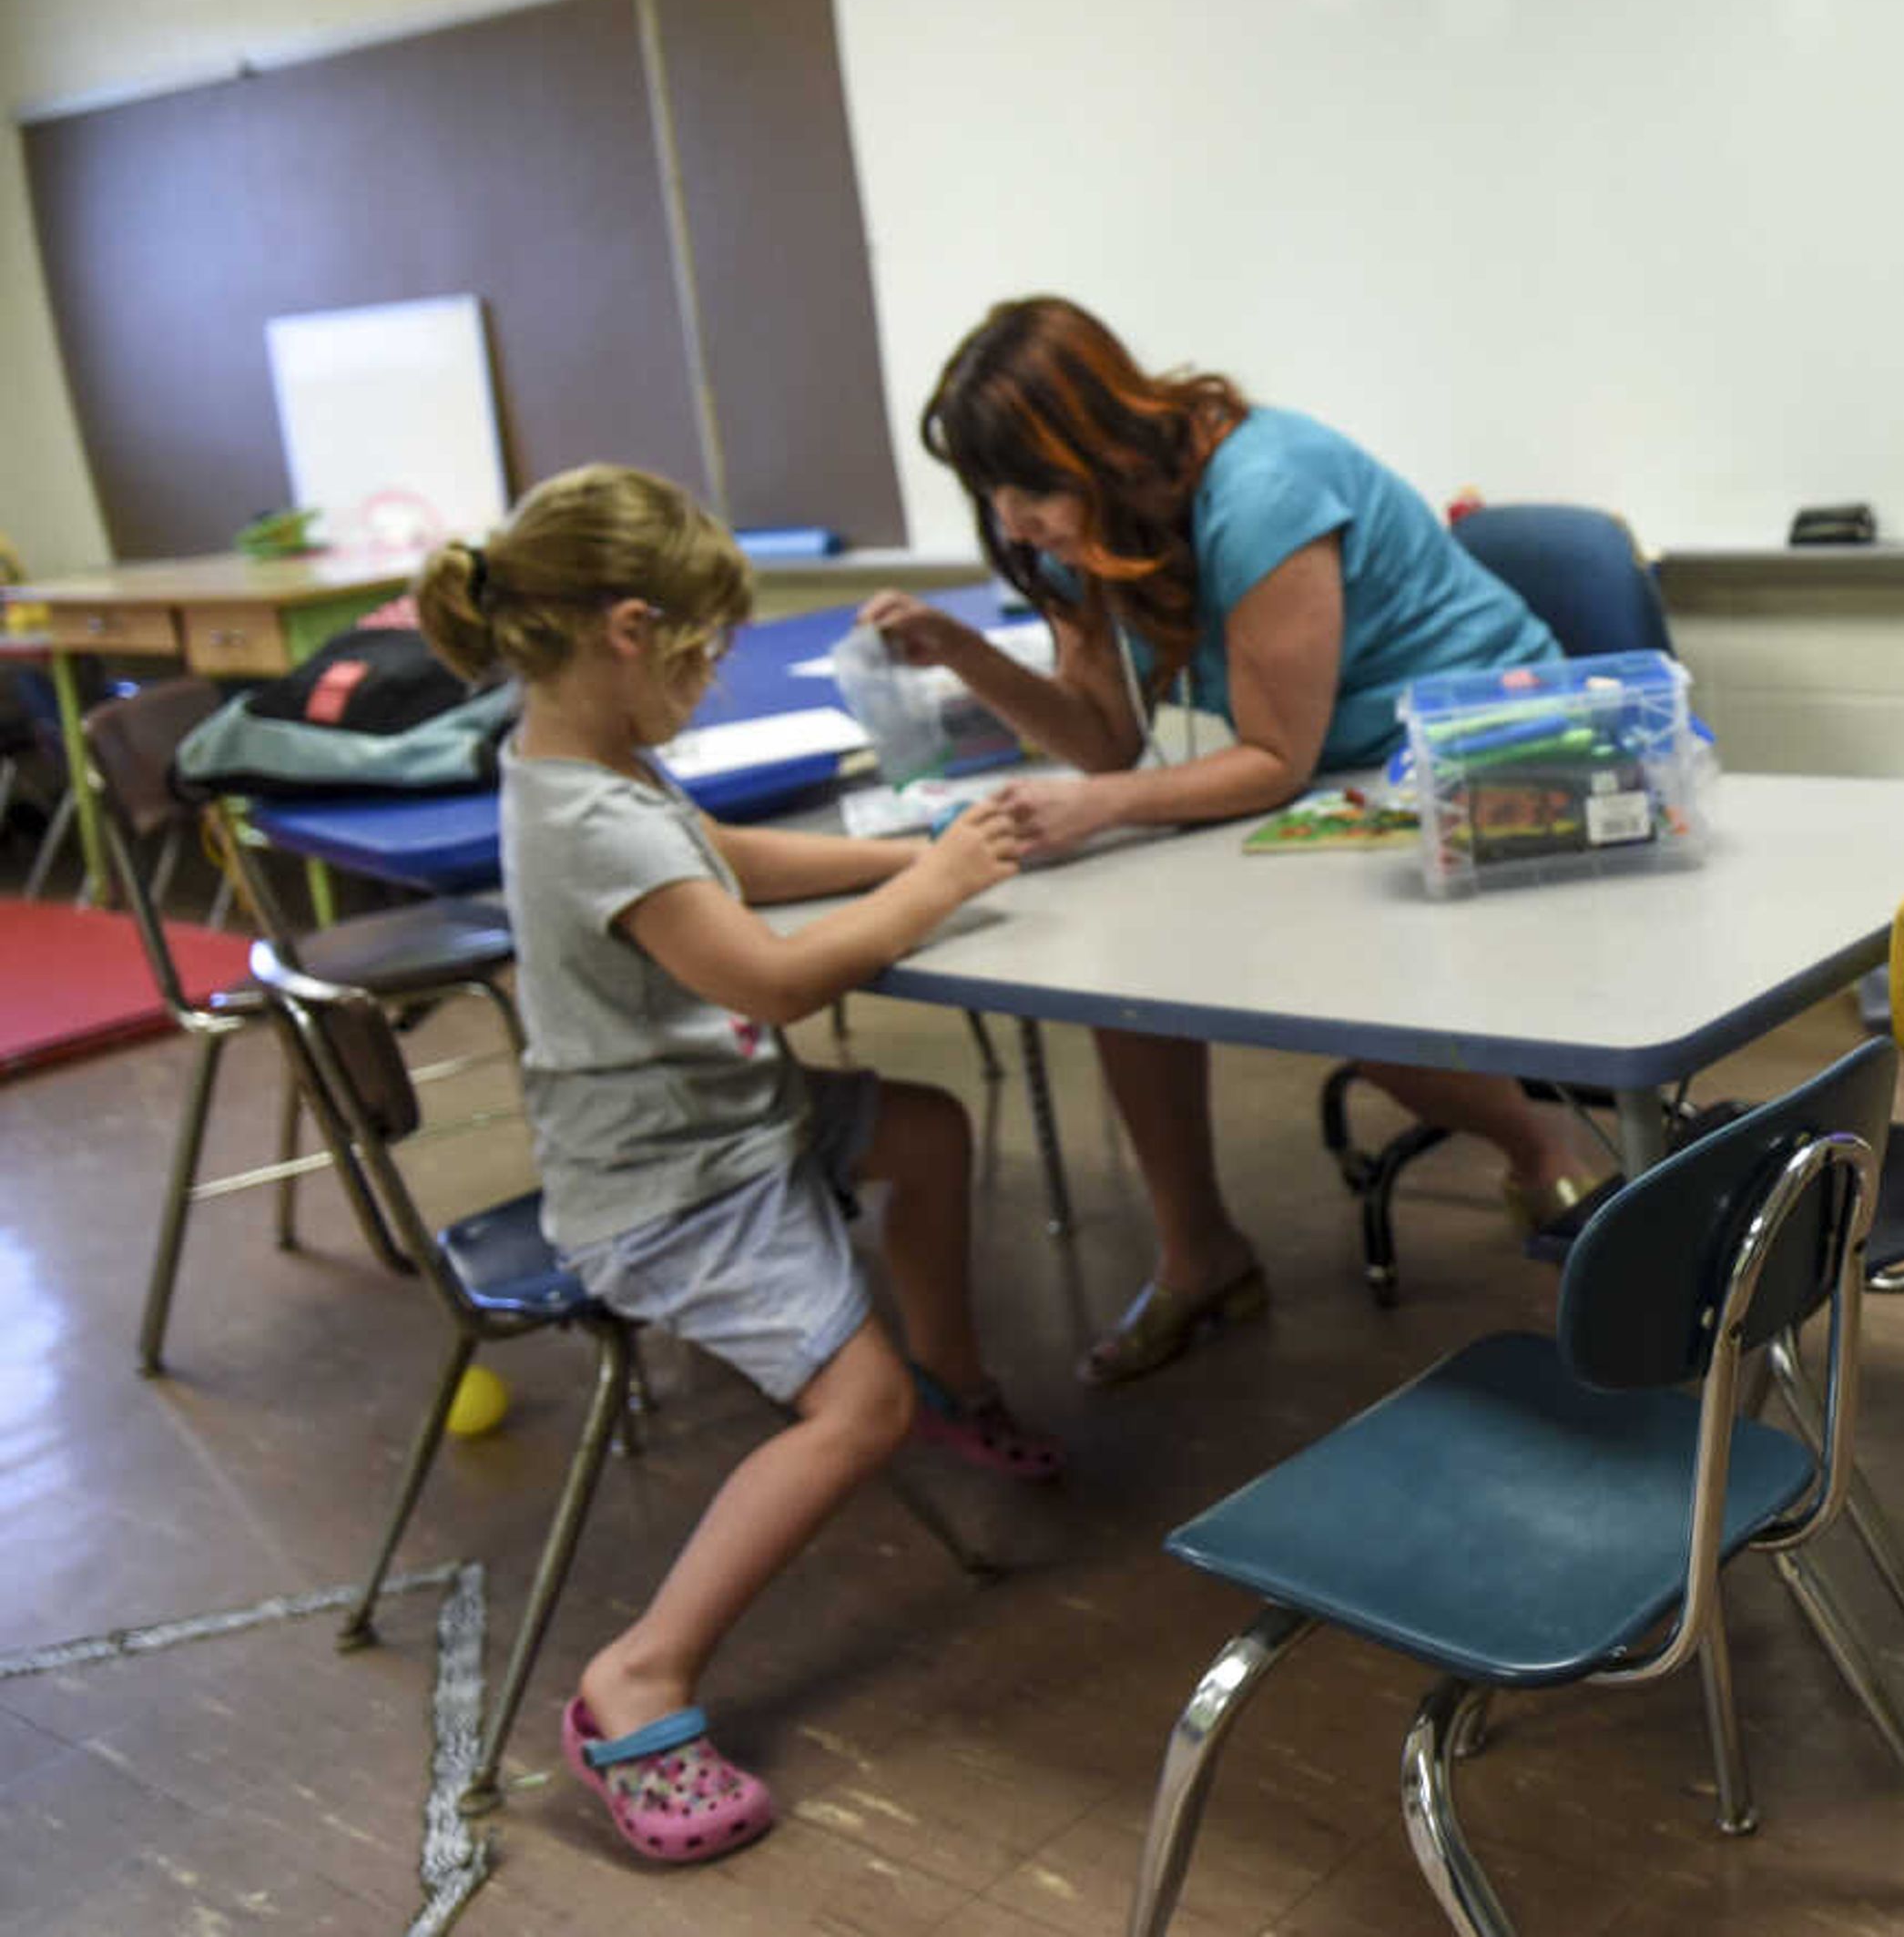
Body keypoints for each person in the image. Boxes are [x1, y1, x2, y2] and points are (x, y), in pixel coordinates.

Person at [415, 465, 1063, 1867]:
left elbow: (722, 863)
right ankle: (637, 1676)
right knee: (855, 1406)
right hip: (673, 1186)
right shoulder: (586, 815)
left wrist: (906, 848)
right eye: (706, 655)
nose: (712, 683)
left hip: (722, 1120)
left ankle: (955, 1376)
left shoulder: (585, 762)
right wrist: (929, 886)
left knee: (930, 1130)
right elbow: (761, 981)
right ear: (631, 628)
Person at [859, 296, 1613, 1387]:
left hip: (1503, 745)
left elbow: (1271, 761)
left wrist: (1102, 806)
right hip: (1358, 768)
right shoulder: (1094, 528)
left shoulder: (1263, 487)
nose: (1013, 521)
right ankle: (1198, 1251)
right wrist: (965, 653)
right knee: (1129, 957)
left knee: (1352, 989)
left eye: (1029, 486)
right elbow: (1107, 738)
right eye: (992, 492)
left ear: (1098, 444)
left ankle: (1543, 1150)